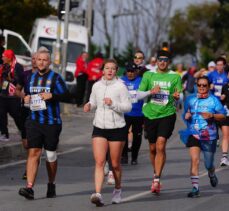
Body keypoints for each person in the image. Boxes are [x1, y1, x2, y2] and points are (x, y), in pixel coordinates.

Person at [18, 49, 70, 200]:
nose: (41, 62)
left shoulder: (55, 78)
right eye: (39, 59)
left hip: (52, 123)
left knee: (51, 155)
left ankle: (51, 183)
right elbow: (28, 96)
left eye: (44, 60)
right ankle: (29, 187)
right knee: (33, 152)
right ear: (35, 61)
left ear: (49, 62)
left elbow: (67, 96)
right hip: (34, 121)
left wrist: (52, 95)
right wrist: (25, 99)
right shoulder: (31, 78)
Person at [83, 59, 132, 206]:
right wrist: (89, 105)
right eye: (107, 68)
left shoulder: (121, 87)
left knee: (115, 164)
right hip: (99, 127)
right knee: (99, 161)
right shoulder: (96, 86)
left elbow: (128, 107)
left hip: (117, 128)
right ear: (102, 70)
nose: (110, 71)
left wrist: (113, 104)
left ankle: (117, 190)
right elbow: (93, 101)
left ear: (116, 71)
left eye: (112, 69)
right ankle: (98, 193)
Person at [138, 50, 182, 194]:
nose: (162, 62)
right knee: (152, 148)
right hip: (150, 114)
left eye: (165, 60)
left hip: (167, 113)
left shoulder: (174, 76)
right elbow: (138, 95)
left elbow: (179, 95)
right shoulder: (148, 75)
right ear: (156, 61)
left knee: (160, 145)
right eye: (160, 60)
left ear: (168, 62)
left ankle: (157, 179)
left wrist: (177, 97)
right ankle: (155, 172)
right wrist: (151, 91)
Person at [181, 76, 226, 198]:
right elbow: (186, 112)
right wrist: (187, 115)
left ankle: (211, 173)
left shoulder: (213, 100)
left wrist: (212, 115)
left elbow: (223, 115)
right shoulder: (190, 99)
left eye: (204, 85)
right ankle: (195, 188)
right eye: (199, 85)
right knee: (195, 160)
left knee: (208, 164)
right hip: (194, 133)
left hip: (209, 136)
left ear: (208, 86)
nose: (201, 87)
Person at [16, 52, 38, 179]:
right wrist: (24, 96)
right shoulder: (25, 74)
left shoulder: (45, 76)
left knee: (33, 142)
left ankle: (28, 169)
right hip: (25, 109)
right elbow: (17, 90)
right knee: (26, 143)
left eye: (37, 59)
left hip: (39, 111)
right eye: (33, 59)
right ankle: (33, 159)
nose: (35, 61)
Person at [121, 62, 144, 165]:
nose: (130, 73)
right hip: (125, 113)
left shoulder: (141, 81)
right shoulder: (121, 81)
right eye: (128, 71)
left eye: (133, 71)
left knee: (137, 136)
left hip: (138, 114)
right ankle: (124, 155)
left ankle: (134, 157)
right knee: (123, 135)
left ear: (136, 72)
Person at [0, 49, 24, 142]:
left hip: (13, 96)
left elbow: (20, 81)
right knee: (1, 114)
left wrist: (12, 79)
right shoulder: (4, 66)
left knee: (16, 115)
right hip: (3, 95)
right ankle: (4, 134)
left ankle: (23, 130)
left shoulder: (18, 67)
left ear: (9, 57)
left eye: (4, 56)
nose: (2, 57)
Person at [219, 78, 229, 166]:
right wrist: (222, 98)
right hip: (226, 113)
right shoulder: (225, 86)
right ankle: (224, 157)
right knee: (226, 134)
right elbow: (222, 99)